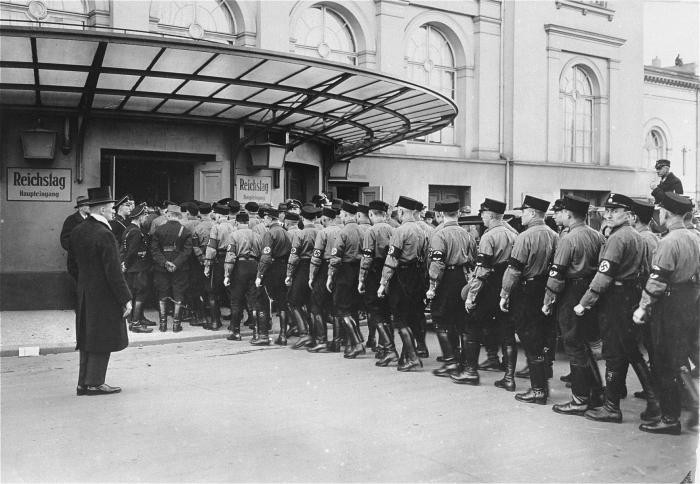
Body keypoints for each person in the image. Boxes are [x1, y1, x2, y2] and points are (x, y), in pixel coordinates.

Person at [572, 194, 660, 423]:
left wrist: (584, 302)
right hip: (631, 295)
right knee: (631, 350)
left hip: (616, 299)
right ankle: (655, 401)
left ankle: (612, 407)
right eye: (607, 210)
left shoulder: (617, 238)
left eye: (615, 210)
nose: (609, 214)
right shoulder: (637, 236)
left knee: (613, 353)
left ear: (629, 214)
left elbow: (603, 276)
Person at [633, 193, 700, 435]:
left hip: (668, 304)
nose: (659, 215)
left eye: (661, 211)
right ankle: (692, 404)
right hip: (689, 301)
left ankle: (670, 418)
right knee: (681, 358)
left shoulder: (669, 242)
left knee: (664, 362)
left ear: (668, 214)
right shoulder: (695, 237)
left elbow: (657, 280)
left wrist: (643, 307)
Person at [543, 195, 606, 416]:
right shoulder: (597, 236)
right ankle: (597, 392)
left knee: (573, 344)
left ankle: (579, 399)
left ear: (569, 214)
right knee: (585, 342)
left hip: (571, 291)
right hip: (589, 291)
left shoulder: (568, 239)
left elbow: (557, 275)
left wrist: (548, 300)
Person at [70, 186, 132, 396]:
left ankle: (83, 383)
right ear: (103, 209)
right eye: (112, 207)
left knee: (87, 337)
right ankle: (95, 383)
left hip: (85, 293)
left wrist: (86, 282)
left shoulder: (78, 230)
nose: (114, 211)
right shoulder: (105, 234)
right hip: (104, 295)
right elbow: (114, 272)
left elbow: (72, 265)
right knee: (102, 337)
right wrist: (126, 299)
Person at [497, 196, 558, 403]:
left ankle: (538, 390)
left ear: (532, 213)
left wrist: (505, 293)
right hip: (545, 288)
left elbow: (514, 269)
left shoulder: (525, 237)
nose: (521, 216)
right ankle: (542, 387)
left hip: (527, 290)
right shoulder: (554, 235)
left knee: (530, 340)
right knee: (540, 338)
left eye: (523, 212)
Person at [451, 198, 516, 386]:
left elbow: (482, 271)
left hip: (489, 285)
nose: (481, 217)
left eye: (483, 213)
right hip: (507, 285)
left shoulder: (489, 236)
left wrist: (471, 296)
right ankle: (509, 377)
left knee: (473, 326)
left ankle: (471, 372)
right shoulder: (514, 233)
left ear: (490, 215)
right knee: (506, 331)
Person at [426, 198, 476, 377]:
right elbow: (473, 258)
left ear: (440, 214)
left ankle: (450, 361)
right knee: (460, 321)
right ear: (457, 213)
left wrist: (432, 285)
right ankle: (462, 361)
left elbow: (437, 263)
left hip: (446, 278)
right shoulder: (467, 233)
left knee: (440, 319)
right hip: (463, 278)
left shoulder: (440, 234)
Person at [378, 196, 428, 372]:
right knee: (412, 316)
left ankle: (413, 358)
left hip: (402, 276)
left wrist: (383, 283)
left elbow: (392, 259)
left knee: (400, 319)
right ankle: (406, 356)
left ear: (400, 211)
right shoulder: (423, 230)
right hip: (418, 276)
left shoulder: (400, 231)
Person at [358, 200, 396, 365]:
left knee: (375, 310)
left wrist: (361, 279)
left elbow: (366, 258)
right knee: (386, 310)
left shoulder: (371, 231)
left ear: (372, 214)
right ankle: (383, 346)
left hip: (374, 271)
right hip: (390, 271)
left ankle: (388, 348)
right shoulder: (394, 229)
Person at [327, 201, 364, 358]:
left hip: (345, 271)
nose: (340, 216)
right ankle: (351, 343)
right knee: (353, 308)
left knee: (342, 309)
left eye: (341, 214)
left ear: (345, 215)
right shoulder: (363, 231)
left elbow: (335, 257)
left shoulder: (343, 232)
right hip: (359, 271)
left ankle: (356, 343)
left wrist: (330, 275)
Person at [151, 204, 193, 332]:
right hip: (180, 268)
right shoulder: (185, 231)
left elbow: (154, 250)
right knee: (178, 293)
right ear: (179, 216)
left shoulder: (158, 230)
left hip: (161, 268)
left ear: (168, 215)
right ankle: (176, 324)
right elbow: (187, 251)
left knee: (162, 293)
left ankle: (163, 325)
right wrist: (176, 263)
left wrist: (165, 262)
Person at [285, 205, 321, 349]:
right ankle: (314, 335)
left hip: (302, 268)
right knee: (312, 303)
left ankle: (303, 333)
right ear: (316, 218)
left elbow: (294, 256)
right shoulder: (320, 232)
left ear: (302, 218)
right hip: (317, 268)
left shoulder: (299, 234)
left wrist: (289, 274)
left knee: (293, 301)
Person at [223, 212, 262, 341]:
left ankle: (236, 332)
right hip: (254, 266)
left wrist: (227, 274)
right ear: (248, 222)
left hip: (239, 267)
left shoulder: (233, 235)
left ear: (237, 222)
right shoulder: (257, 235)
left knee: (236, 300)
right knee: (254, 300)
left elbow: (230, 256)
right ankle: (257, 332)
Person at [255, 208, 291, 346]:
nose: (264, 220)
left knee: (262, 300)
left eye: (265, 218)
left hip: (271, 270)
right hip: (284, 269)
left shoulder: (269, 234)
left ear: (270, 218)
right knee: (283, 302)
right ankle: (282, 335)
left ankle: (263, 335)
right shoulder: (286, 233)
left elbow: (265, 257)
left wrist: (260, 274)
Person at [309, 207, 342, 352]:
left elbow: (316, 257)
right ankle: (337, 341)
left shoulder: (323, 232)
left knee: (317, 305)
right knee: (336, 307)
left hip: (323, 269)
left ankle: (321, 340)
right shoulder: (342, 231)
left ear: (325, 219)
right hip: (339, 268)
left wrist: (311, 276)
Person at [120, 202, 154, 333]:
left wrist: (124, 264)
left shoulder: (129, 229)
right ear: (140, 217)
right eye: (145, 216)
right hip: (138, 267)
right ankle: (135, 323)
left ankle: (136, 319)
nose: (146, 219)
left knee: (135, 294)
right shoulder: (136, 232)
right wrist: (126, 264)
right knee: (141, 294)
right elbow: (132, 252)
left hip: (133, 268)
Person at [203, 203, 234, 330]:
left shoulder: (216, 227)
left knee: (213, 291)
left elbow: (211, 248)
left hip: (219, 260)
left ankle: (215, 322)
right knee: (232, 291)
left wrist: (207, 265)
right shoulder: (235, 226)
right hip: (232, 260)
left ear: (218, 214)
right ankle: (234, 323)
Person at [61, 195, 90, 283]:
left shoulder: (91, 219)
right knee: (79, 286)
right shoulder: (71, 220)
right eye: (88, 205)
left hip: (89, 261)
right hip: (76, 261)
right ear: (81, 207)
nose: (90, 207)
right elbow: (64, 240)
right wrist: (76, 249)